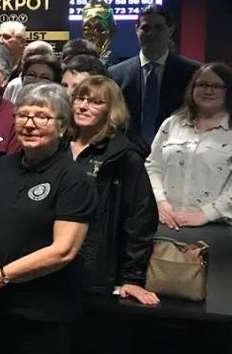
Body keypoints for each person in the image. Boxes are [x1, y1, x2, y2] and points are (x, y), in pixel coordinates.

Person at [0, 82, 95, 354]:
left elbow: (63, 250)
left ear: (62, 126)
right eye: (23, 115)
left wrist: (1, 276)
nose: (30, 123)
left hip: (40, 312)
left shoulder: (73, 179)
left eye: (42, 116)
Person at [67, 76, 160, 353]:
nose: (83, 106)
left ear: (111, 110)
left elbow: (140, 218)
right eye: (80, 99)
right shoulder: (58, 145)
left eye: (95, 102)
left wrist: (132, 278)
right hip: (51, 269)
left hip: (96, 271)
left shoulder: (124, 155)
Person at [145, 63, 232, 229]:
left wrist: (206, 214)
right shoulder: (172, 124)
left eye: (217, 86)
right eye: (202, 84)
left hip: (218, 229)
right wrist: (160, 202)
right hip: (165, 221)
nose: (208, 91)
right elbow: (153, 166)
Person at [109, 4, 201, 147]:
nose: (151, 34)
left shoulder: (192, 72)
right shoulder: (116, 74)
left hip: (176, 152)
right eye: (145, 28)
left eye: (159, 28)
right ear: (136, 30)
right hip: (128, 154)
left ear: (170, 30)